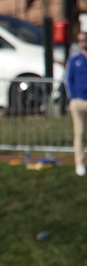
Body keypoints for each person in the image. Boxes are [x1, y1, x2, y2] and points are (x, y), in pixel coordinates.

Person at [66, 32, 87, 176]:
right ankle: (79, 163)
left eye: (84, 39)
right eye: (79, 40)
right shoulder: (74, 60)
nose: (82, 42)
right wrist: (72, 97)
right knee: (79, 133)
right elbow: (68, 79)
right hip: (78, 100)